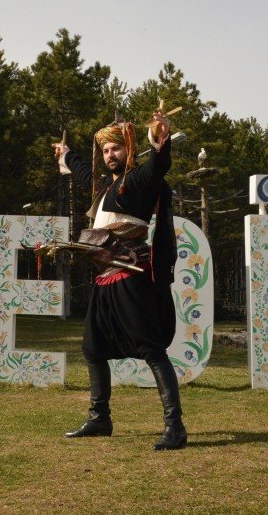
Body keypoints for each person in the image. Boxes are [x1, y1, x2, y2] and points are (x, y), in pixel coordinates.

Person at [51, 108, 186, 450]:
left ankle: (175, 427)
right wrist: (66, 154)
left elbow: (159, 166)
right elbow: (83, 171)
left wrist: (160, 141)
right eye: (106, 150)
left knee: (152, 349)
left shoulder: (138, 180)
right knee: (92, 348)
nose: (111, 155)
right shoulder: (103, 187)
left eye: (116, 149)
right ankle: (100, 418)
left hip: (131, 274)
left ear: (129, 149)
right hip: (105, 277)